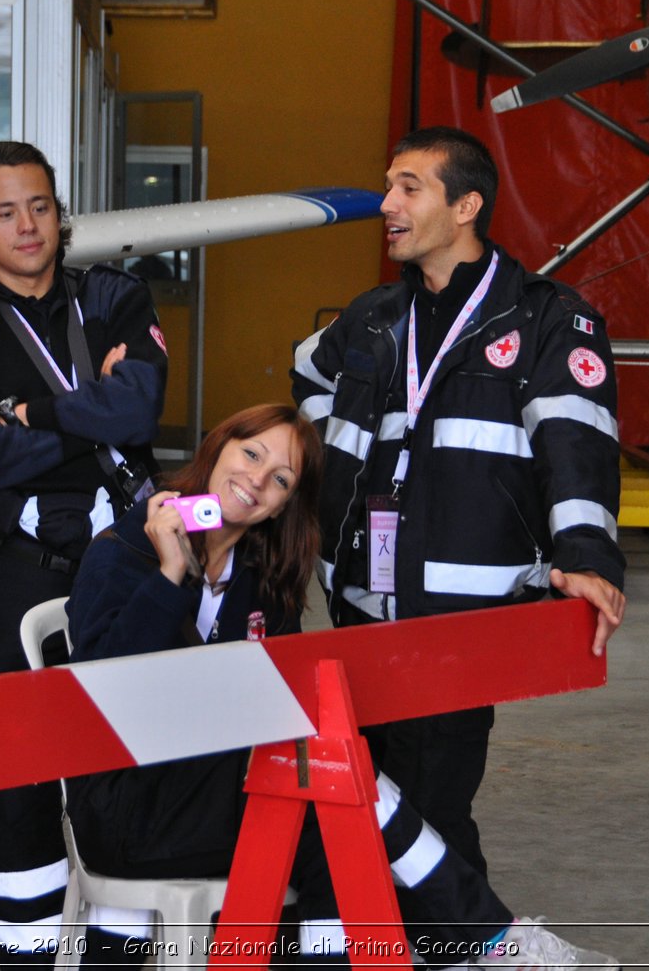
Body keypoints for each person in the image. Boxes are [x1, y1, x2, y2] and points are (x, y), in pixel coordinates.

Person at [64, 404, 617, 969]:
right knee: (336, 780)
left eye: (281, 478)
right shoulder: (123, 551)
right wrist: (169, 573)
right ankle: (494, 941)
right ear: (217, 448)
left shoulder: (258, 571)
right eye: (251, 454)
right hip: (126, 803)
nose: (257, 480)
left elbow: (277, 698)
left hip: (216, 789)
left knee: (332, 821)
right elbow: (104, 698)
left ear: (286, 503)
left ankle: (484, 942)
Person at [291, 126, 626, 877]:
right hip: (360, 608)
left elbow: (579, 447)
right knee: (359, 805)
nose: (387, 204)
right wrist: (325, 478)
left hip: (461, 621)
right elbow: (306, 376)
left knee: (430, 813)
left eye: (409, 187)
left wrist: (585, 555)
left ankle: (473, 947)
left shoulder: (546, 319)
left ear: (467, 204)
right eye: (389, 186)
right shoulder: (374, 315)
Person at [0, 141, 168, 966]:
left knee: (125, 774)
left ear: (61, 214)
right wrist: (82, 409)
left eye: (41, 206)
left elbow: (138, 409)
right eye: (4, 211)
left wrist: (25, 416)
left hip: (126, 565)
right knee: (17, 789)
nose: (28, 225)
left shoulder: (118, 295)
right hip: (10, 571)